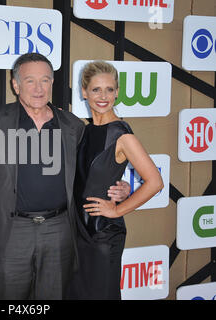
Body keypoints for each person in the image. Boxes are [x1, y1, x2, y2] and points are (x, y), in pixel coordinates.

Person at [0, 53, 129, 300]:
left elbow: (92, 172)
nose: (39, 88)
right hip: (12, 230)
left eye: (46, 80)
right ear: (16, 84)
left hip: (59, 229)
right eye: (30, 81)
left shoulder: (74, 126)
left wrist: (121, 187)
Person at [70, 60, 164, 300]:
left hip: (103, 234)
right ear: (84, 91)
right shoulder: (84, 131)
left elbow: (155, 182)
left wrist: (118, 210)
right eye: (96, 89)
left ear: (117, 93)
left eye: (109, 90)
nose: (103, 96)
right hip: (76, 232)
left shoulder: (122, 136)